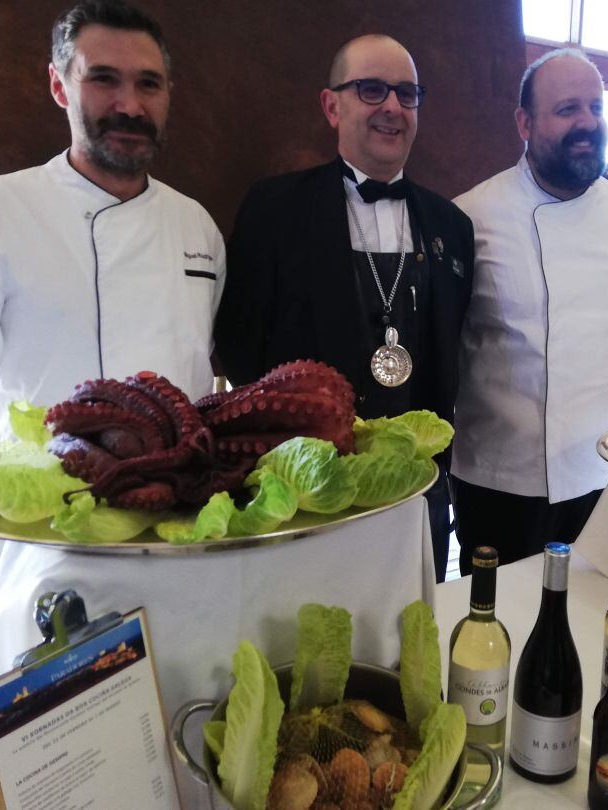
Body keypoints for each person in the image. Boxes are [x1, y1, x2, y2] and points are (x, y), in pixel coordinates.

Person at [0, 0, 224, 661]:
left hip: (179, 536)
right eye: (102, 78)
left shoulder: (198, 228)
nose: (129, 105)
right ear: (59, 85)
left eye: (148, 84)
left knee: (180, 719)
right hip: (40, 538)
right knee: (57, 748)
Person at [215, 35, 474, 582]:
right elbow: (239, 349)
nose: (392, 108)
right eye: (372, 90)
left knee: (408, 635)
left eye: (407, 94)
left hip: (416, 490)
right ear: (332, 106)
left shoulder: (453, 226)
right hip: (303, 490)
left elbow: (449, 356)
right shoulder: (273, 210)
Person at [450, 49, 608, 573]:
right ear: (524, 122)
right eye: (567, 109)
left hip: (604, 476)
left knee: (589, 623)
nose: (587, 123)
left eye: (595, 107)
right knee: (498, 630)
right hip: (502, 481)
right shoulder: (472, 216)